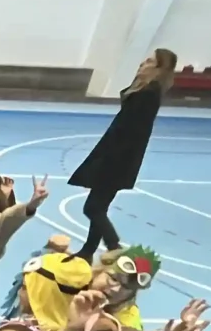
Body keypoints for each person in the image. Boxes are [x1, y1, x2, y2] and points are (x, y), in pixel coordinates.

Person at [69, 48, 176, 261]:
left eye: (150, 61)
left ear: (159, 68)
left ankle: (113, 245)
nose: (143, 63)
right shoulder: (145, 89)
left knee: (92, 208)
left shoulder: (148, 94)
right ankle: (88, 251)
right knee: (99, 206)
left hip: (117, 158)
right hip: (117, 156)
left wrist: (105, 163)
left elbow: (132, 132)